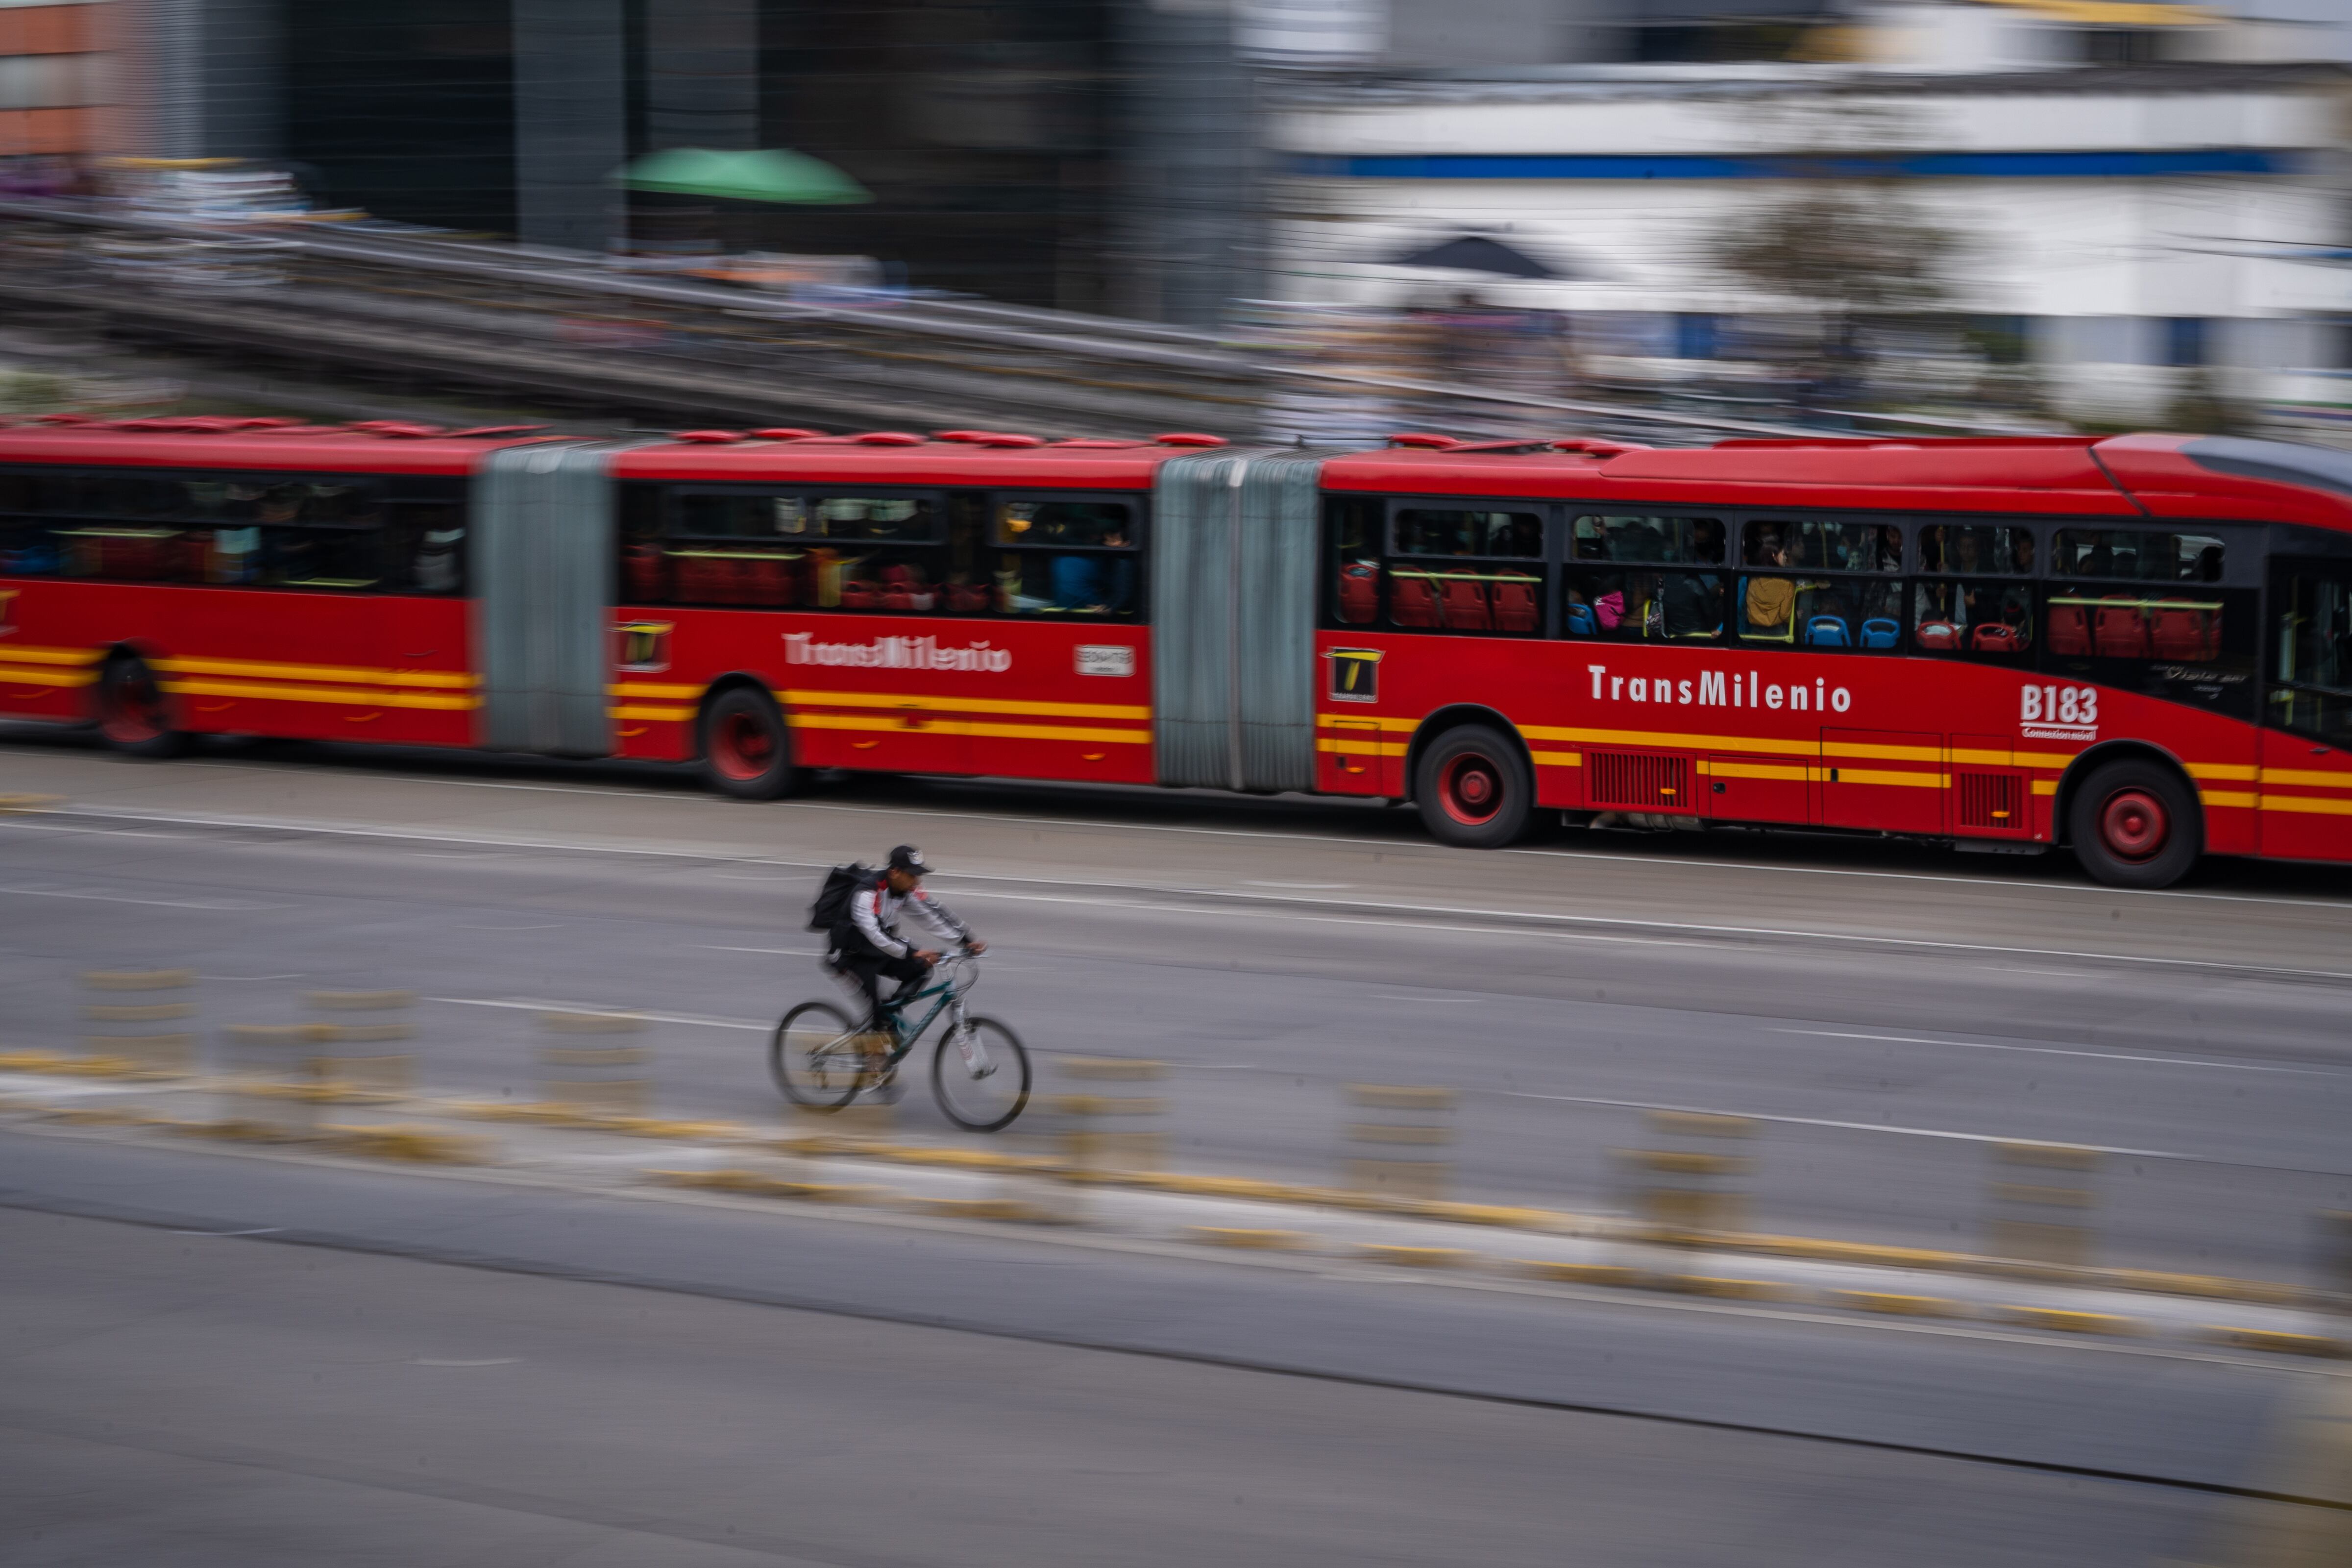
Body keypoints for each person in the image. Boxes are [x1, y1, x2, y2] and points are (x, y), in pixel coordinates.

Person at [828, 846, 985, 1096]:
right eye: (912, 875)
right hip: (850, 957)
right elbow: (875, 933)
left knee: (922, 970)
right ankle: (874, 1063)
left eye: (918, 875)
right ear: (895, 872)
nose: (917, 881)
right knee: (876, 1006)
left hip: (882, 952)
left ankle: (888, 1020)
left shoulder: (905, 891)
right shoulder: (868, 893)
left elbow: (932, 914)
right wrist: (912, 951)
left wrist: (966, 940)